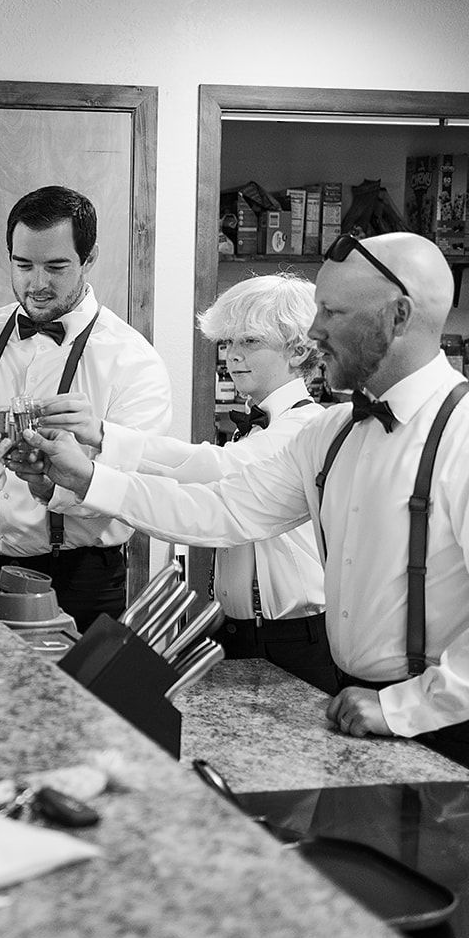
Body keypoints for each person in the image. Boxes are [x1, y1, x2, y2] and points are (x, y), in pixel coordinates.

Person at [21, 232, 469, 785]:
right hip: (351, 707)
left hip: (463, 731)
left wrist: (406, 708)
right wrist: (86, 478)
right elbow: (223, 509)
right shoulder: (330, 434)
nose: (313, 332)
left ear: (397, 316)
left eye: (331, 311)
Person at [0, 184, 171, 631]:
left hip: (79, 579)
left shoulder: (133, 361)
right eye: (23, 265)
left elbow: (140, 491)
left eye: (56, 266)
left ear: (90, 257)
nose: (37, 284)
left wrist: (54, 487)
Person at [137, 274, 335, 693]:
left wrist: (107, 445)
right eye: (227, 343)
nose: (232, 356)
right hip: (237, 632)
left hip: (294, 638)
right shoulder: (256, 430)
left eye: (249, 342)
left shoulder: (304, 427)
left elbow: (219, 470)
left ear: (298, 349)